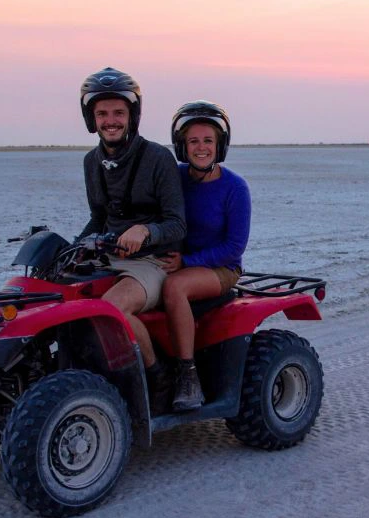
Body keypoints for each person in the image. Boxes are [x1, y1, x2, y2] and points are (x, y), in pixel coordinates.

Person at [78, 67, 186, 415]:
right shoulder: (91, 162)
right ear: (91, 119)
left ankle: (157, 376)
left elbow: (177, 224)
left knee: (112, 308)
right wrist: (73, 246)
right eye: (102, 113)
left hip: (151, 262)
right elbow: (98, 217)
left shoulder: (157, 158)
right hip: (109, 257)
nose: (111, 121)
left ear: (132, 116)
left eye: (118, 113)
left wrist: (147, 232)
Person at [160, 101, 251, 411]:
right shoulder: (176, 177)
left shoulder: (235, 188)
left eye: (208, 140)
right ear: (182, 146)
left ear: (219, 145)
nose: (201, 148)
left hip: (221, 268)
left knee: (175, 287)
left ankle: (187, 375)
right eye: (193, 141)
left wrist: (186, 263)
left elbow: (234, 247)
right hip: (177, 260)